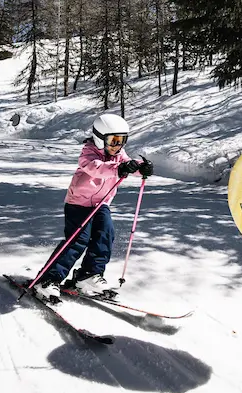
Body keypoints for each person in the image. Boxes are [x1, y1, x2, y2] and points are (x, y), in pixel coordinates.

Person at [37, 113, 154, 296]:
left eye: (122, 140)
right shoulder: (88, 153)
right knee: (78, 240)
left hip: (101, 204)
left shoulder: (118, 154)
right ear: (100, 138)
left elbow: (127, 163)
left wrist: (140, 167)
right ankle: (49, 279)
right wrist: (119, 169)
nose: (118, 145)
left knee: (105, 235)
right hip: (79, 204)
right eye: (114, 141)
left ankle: (89, 275)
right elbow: (96, 168)